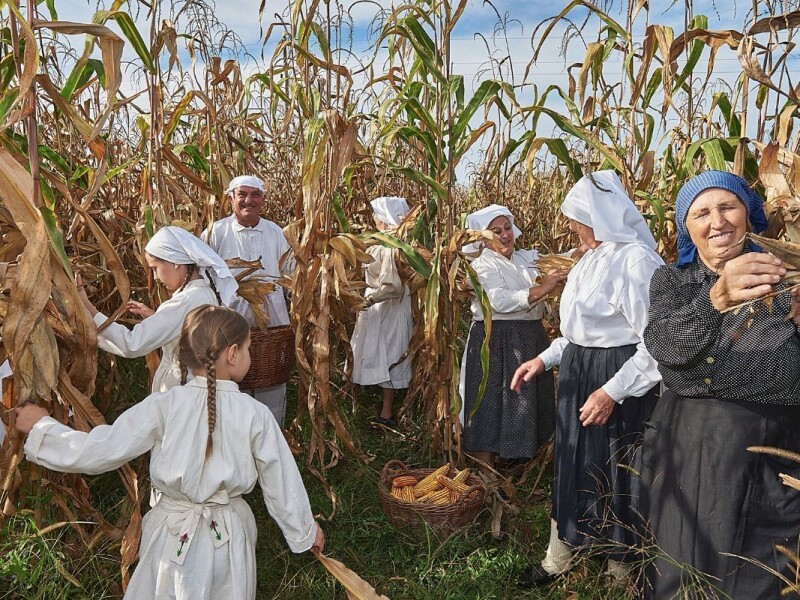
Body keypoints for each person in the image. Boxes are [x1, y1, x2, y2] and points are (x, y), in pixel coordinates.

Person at [14, 305, 324, 599]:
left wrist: (43, 429)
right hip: (228, 537)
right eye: (247, 349)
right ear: (232, 354)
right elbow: (281, 479)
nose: (249, 356)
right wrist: (304, 531)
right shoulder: (256, 414)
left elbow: (102, 449)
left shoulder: (164, 405)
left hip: (170, 531)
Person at [641, 170, 800, 599]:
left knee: (762, 567)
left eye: (728, 207)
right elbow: (666, 349)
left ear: (748, 214)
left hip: (772, 445)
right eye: (701, 213)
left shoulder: (787, 276)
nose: (717, 221)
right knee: (683, 560)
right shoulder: (672, 281)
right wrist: (717, 299)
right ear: (686, 227)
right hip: (687, 442)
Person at [511, 171, 663, 586]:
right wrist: (543, 359)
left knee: (614, 467)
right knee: (571, 460)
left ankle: (620, 568)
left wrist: (612, 392)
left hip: (619, 379)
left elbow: (655, 344)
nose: (574, 228)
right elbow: (578, 334)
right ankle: (559, 556)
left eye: (577, 219)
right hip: (579, 374)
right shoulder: (589, 259)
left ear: (597, 216)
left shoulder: (636, 261)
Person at [458, 204, 565, 472]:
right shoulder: (480, 266)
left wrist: (583, 251)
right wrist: (544, 288)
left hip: (530, 336)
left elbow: (560, 259)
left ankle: (515, 464)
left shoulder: (527, 258)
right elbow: (499, 301)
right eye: (496, 231)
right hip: (495, 340)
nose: (505, 235)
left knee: (523, 400)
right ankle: (486, 474)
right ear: (483, 237)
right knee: (489, 402)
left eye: (507, 228)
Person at [78, 226, 237, 393]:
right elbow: (186, 330)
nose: (155, 277)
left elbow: (132, 343)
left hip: (180, 387)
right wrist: (157, 317)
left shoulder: (185, 301)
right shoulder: (204, 292)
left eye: (155, 268)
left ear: (175, 262)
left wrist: (88, 308)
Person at [204, 175, 293, 427]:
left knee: (272, 380)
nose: (248, 200)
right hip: (230, 321)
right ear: (230, 198)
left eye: (255, 195)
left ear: (263, 199)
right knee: (230, 381)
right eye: (241, 194)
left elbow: (290, 271)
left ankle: (272, 431)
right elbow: (203, 274)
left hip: (273, 320)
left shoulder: (275, 232)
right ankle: (234, 433)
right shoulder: (215, 232)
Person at [350, 196, 414, 427]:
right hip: (385, 308)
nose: (373, 219)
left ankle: (386, 413)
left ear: (385, 219)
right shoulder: (398, 245)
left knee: (388, 357)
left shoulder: (388, 249)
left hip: (386, 310)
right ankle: (365, 403)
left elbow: (393, 287)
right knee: (379, 354)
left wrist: (368, 300)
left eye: (377, 215)